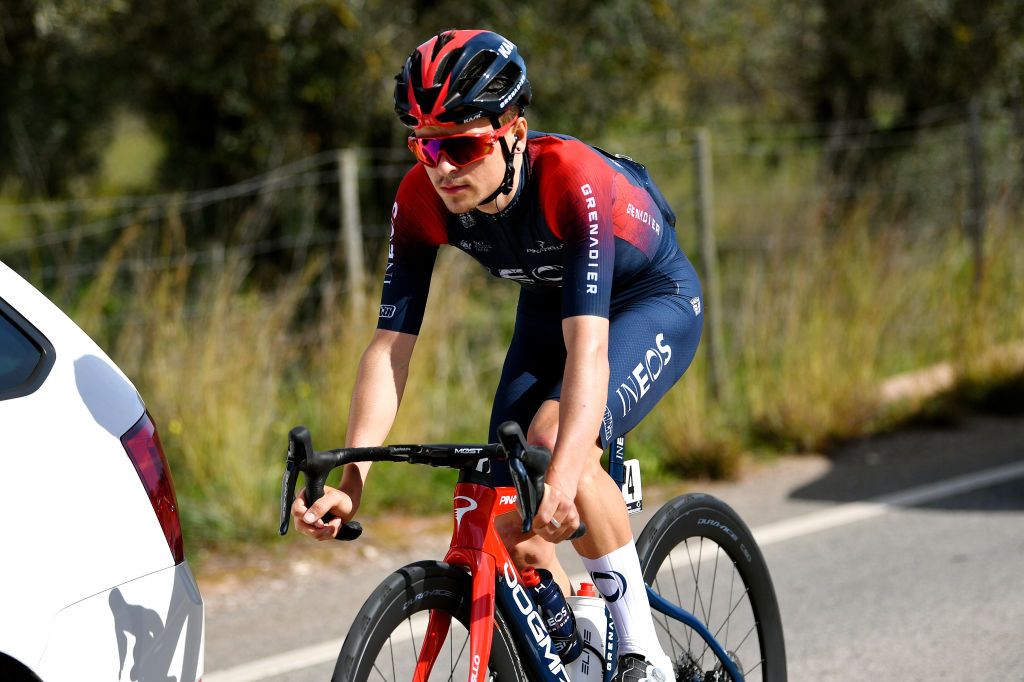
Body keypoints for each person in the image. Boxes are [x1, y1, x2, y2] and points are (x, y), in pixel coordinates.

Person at [292, 28, 703, 682]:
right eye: (426, 144)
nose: (442, 167)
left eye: (461, 144)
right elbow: (389, 348)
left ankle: (643, 656)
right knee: (502, 498)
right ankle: (582, 642)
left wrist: (567, 470)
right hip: (550, 306)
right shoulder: (420, 200)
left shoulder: (573, 181)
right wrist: (352, 482)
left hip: (647, 300)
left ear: (514, 132)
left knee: (552, 440)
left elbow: (590, 351)